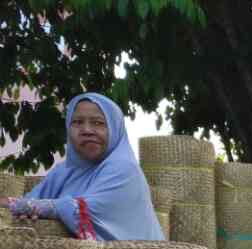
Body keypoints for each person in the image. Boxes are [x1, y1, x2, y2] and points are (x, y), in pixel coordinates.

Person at [5, 92, 162, 241]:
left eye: (98, 123)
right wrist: (22, 208)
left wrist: (32, 207)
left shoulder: (124, 169)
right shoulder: (62, 172)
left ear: (115, 129)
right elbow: (28, 202)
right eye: (77, 122)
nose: (87, 130)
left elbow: (87, 211)